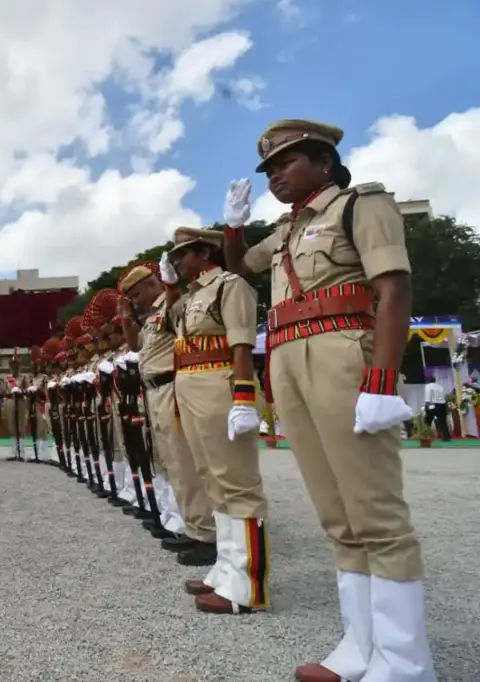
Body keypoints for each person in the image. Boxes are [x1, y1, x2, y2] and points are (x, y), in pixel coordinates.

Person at [222, 119, 436, 681]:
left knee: (376, 514)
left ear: (323, 161)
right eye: (268, 169)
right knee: (337, 516)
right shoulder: (288, 232)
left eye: (285, 164)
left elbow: (393, 290)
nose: (274, 176)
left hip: (343, 355)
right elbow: (238, 266)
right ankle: (362, 646)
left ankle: (406, 662)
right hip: (290, 361)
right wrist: (233, 227)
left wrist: (382, 381)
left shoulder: (358, 207)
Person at [163, 227, 269, 616]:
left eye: (183, 253)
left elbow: (242, 342)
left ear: (204, 251)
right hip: (190, 384)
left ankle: (247, 585)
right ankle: (226, 569)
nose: (176, 259)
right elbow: (169, 328)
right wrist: (173, 288)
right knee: (211, 478)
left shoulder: (230, 285)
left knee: (236, 481)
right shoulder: (192, 294)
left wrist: (243, 395)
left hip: (219, 381)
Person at [118, 262, 218, 566]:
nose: (135, 302)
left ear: (153, 285)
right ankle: (193, 526)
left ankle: (207, 534)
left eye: (137, 295)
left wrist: (170, 290)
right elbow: (136, 345)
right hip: (154, 391)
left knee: (186, 463)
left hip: (172, 386)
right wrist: (127, 317)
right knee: (172, 463)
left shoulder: (173, 303)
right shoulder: (149, 316)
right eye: (131, 298)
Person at [423, 374, 451, 441]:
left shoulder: (428, 386)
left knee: (427, 421)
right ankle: (446, 437)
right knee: (443, 421)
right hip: (442, 405)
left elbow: (428, 397)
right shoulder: (440, 386)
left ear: (428, 381)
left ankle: (425, 435)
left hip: (433, 404)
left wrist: (427, 406)